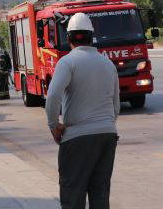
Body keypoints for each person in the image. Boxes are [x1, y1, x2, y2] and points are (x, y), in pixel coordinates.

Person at [46, 13, 120, 209]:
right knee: (100, 194)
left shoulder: (67, 62)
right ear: (91, 36)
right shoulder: (108, 64)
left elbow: (53, 97)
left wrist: (54, 126)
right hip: (107, 135)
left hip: (77, 138)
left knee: (73, 194)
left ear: (68, 37)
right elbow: (116, 107)